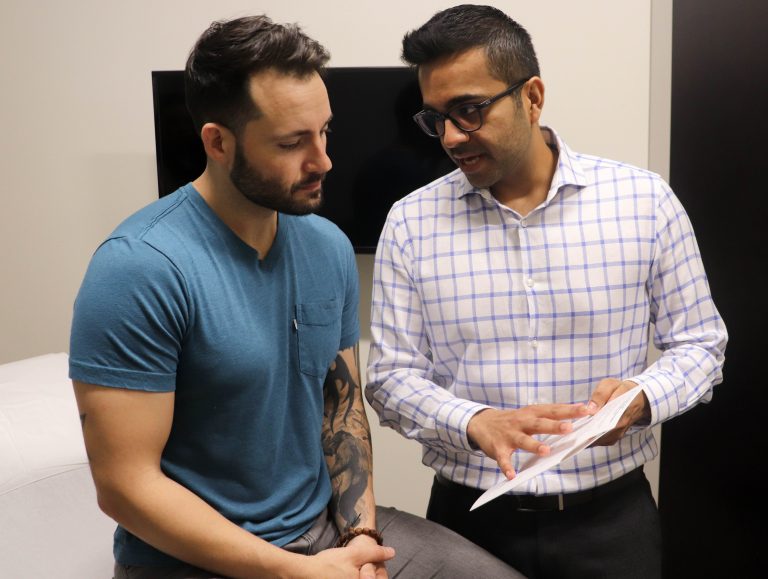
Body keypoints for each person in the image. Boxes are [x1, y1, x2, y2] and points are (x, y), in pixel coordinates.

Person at [69, 14, 523, 579]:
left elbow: (340, 408)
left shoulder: (326, 246)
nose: (323, 160)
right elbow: (125, 487)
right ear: (217, 142)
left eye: (324, 131)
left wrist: (361, 538)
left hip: (324, 533)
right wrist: (291, 571)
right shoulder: (139, 268)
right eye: (292, 143)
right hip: (193, 561)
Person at [365, 5, 728, 579]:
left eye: (470, 110)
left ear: (532, 97)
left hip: (612, 523)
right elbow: (390, 377)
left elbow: (702, 344)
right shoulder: (411, 222)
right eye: (436, 118)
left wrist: (642, 396)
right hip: (466, 522)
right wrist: (474, 421)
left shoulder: (643, 201)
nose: (452, 137)